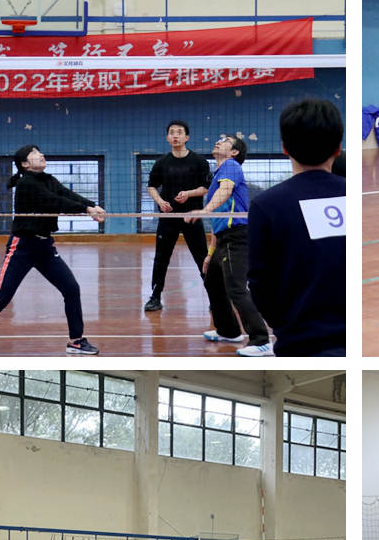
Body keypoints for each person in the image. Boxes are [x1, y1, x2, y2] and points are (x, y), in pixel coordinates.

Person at [0, 145, 106, 356]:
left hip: (45, 246)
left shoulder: (49, 180)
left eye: (40, 152)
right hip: (22, 247)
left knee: (71, 289)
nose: (41, 155)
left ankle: (76, 341)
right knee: (3, 296)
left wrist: (92, 205)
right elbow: (54, 202)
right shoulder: (26, 184)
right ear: (25, 164)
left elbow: (66, 194)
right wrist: (87, 210)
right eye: (34, 153)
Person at [247, 98, 346, 356]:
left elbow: (259, 283)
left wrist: (285, 325)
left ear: (284, 148)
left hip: (299, 342)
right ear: (338, 148)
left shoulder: (266, 206)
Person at [190, 134, 273, 356]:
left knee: (236, 288)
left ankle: (261, 340)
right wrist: (210, 253)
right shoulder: (218, 175)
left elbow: (225, 192)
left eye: (226, 140)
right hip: (223, 238)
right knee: (212, 281)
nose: (219, 141)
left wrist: (204, 210)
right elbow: (217, 222)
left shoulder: (231, 166)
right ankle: (229, 331)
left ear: (234, 152)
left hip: (237, 236)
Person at [144, 120, 210, 313]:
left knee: (202, 257)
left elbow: (206, 188)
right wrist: (160, 201)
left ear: (186, 137)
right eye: (172, 132)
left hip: (192, 216)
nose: (175, 135)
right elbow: (151, 186)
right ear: (167, 137)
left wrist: (189, 193)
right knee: (161, 258)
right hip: (168, 217)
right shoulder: (162, 163)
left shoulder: (199, 161)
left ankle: (215, 298)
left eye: (179, 132)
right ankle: (155, 297)